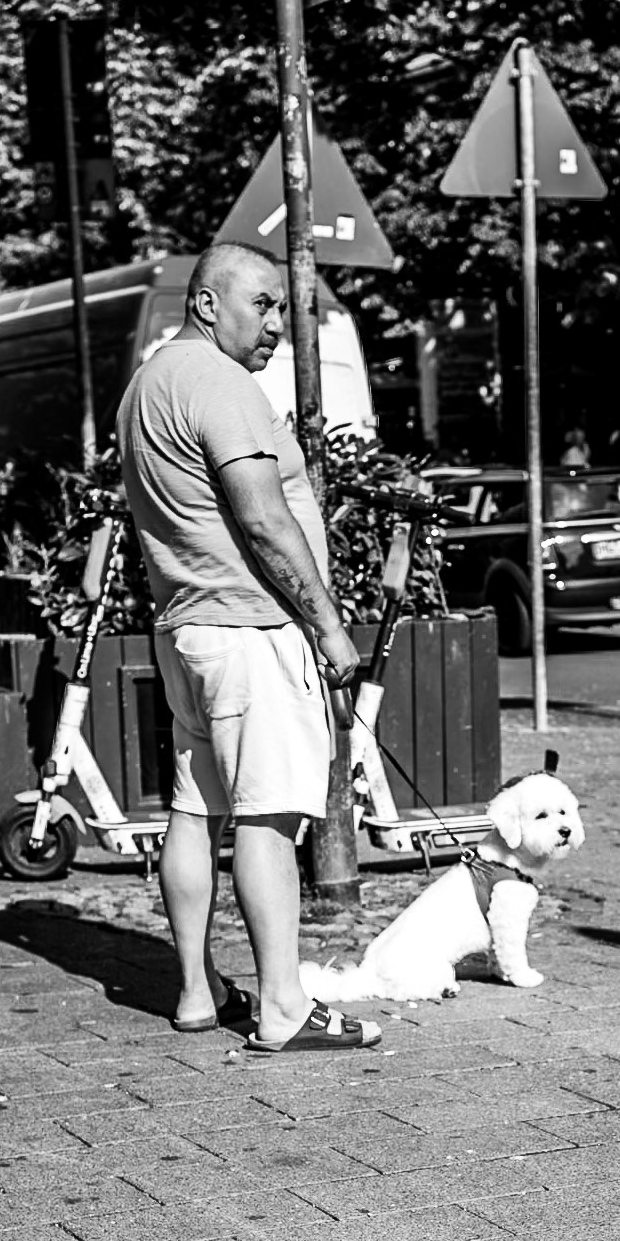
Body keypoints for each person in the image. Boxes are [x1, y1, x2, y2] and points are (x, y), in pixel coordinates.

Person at [116, 240, 379, 1053]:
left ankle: (198, 992)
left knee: (195, 810)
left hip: (190, 627)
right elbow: (263, 517)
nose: (276, 324)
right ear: (205, 303)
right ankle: (282, 1007)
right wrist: (332, 628)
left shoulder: (147, 384)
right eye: (261, 304)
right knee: (268, 816)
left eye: (279, 307)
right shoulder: (220, 385)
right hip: (252, 631)